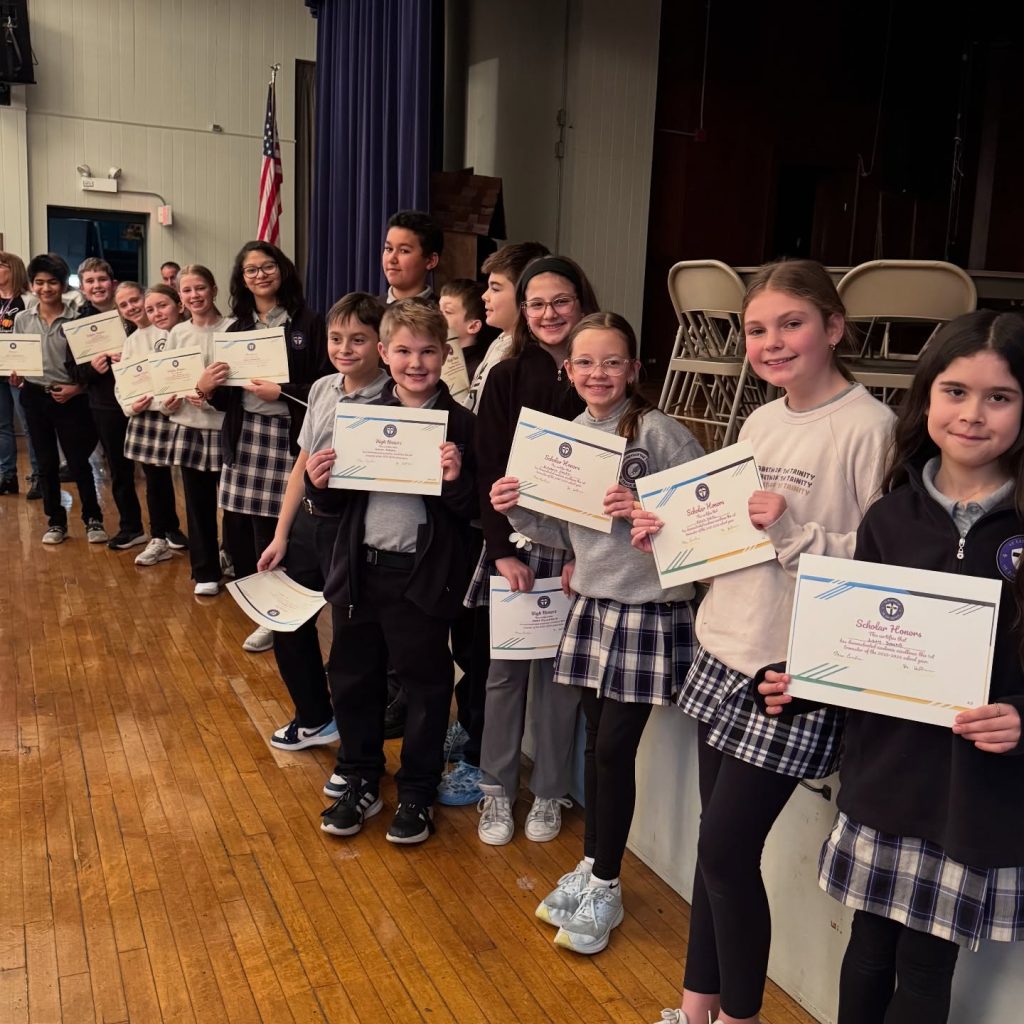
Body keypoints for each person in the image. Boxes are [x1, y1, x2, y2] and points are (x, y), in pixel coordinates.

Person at [634, 260, 895, 1024]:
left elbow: (881, 568)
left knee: (723, 853)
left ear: (834, 328)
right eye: (756, 329)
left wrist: (791, 528)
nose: (772, 341)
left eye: (792, 323)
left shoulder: (870, 429)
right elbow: (731, 537)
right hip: (724, 647)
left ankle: (738, 1018)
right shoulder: (760, 421)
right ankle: (696, 1008)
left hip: (788, 672)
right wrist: (671, 534)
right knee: (716, 852)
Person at [757, 309, 1024, 1023]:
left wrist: (1021, 717)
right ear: (926, 396)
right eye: (955, 391)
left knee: (926, 972)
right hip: (886, 776)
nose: (973, 414)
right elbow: (860, 646)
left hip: (973, 794)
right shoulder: (890, 517)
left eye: (1000, 397)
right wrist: (802, 682)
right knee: (868, 951)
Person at [491, 312, 703, 954]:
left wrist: (646, 513)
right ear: (568, 370)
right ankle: (591, 864)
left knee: (612, 750)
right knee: (594, 744)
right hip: (592, 604)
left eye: (612, 362)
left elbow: (704, 527)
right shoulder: (571, 436)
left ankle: (607, 882)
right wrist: (517, 508)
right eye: (585, 363)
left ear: (634, 369)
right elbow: (563, 532)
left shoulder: (663, 434)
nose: (598, 374)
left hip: (649, 611)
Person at [319, 298, 477, 845]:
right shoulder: (359, 416)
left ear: (445, 354)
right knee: (353, 680)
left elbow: (475, 513)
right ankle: (360, 777)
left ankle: (416, 791)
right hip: (360, 572)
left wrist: (456, 480)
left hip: (422, 578)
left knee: (426, 687)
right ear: (384, 353)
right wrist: (321, 482)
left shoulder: (463, 425)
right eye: (404, 351)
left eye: (428, 351)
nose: (416, 363)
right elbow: (335, 506)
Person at [470, 255, 598, 846]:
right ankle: (496, 790)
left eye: (561, 301)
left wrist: (580, 553)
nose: (549, 313)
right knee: (506, 674)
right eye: (537, 303)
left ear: (582, 303)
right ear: (523, 312)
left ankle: (549, 789)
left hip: (578, 554)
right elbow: (487, 468)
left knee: (561, 679)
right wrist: (500, 550)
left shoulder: (598, 374)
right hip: (517, 550)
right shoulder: (507, 376)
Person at [435, 242, 551, 808]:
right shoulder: (499, 357)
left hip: (533, 534)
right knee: (477, 649)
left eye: (497, 287)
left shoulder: (543, 366)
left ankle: (494, 760)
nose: (485, 296)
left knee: (498, 660)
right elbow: (485, 444)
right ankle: (475, 740)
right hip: (485, 520)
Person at [257, 293, 389, 757]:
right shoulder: (321, 388)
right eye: (336, 339)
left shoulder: (394, 398)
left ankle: (358, 751)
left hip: (352, 533)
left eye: (358, 339)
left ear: (381, 344)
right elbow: (302, 464)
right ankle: (313, 716)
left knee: (351, 645)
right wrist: (281, 534)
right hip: (307, 529)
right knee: (287, 624)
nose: (344, 349)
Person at [196, 241, 328, 653]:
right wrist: (206, 388)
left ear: (282, 269)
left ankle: (287, 610)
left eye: (267, 266)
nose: (260, 275)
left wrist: (283, 392)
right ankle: (267, 610)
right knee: (249, 530)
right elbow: (227, 399)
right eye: (251, 270)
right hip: (246, 435)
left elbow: (325, 386)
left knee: (284, 529)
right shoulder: (235, 330)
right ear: (242, 279)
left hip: (291, 437)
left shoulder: (309, 322)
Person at [11, 254, 106, 545]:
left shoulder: (78, 320)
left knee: (78, 462)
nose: (45, 288)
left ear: (63, 285)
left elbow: (88, 367)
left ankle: (93, 518)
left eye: (52, 282)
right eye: (39, 282)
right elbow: (18, 356)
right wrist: (16, 373)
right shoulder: (22, 319)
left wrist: (76, 389)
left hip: (71, 399)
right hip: (34, 397)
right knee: (45, 463)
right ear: (31, 284)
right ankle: (56, 521)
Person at [164, 265, 234, 595]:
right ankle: (205, 570)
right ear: (180, 297)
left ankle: (233, 558)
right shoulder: (177, 333)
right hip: (189, 427)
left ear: (214, 289)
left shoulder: (233, 328)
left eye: (200, 288)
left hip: (224, 426)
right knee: (197, 502)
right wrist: (170, 397)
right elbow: (168, 379)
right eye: (187, 290)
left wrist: (208, 393)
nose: (195, 295)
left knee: (232, 503)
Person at [77, 265, 148, 551]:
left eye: (102, 279)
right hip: (107, 407)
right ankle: (131, 527)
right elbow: (75, 372)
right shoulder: (80, 324)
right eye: (90, 281)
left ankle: (167, 529)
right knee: (120, 470)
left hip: (146, 402)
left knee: (156, 471)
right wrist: (93, 368)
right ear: (83, 288)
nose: (97, 285)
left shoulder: (138, 317)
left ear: (112, 282)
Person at [120, 284, 188, 567]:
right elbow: (124, 383)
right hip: (148, 416)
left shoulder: (181, 332)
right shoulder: (133, 340)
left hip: (185, 413)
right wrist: (130, 406)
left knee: (194, 483)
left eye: (136, 301)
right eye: (124, 305)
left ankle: (203, 542)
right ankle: (159, 537)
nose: (134, 308)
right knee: (156, 481)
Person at [463, 242, 550, 415]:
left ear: (525, 295)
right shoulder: (501, 339)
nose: (484, 296)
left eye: (495, 288)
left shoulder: (527, 362)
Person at [0, 251, 38, 496]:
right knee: (2, 425)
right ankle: (7, 476)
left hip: (21, 371)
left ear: (12, 269)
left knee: (29, 425)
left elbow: (35, 335)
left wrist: (25, 369)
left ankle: (38, 477)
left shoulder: (28, 300)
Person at [381, 210, 443, 303]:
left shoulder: (442, 311)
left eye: (404, 251)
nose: (391, 259)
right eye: (389, 249)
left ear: (431, 260)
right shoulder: (368, 310)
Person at [439, 278, 491, 380]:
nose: (437, 316)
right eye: (439, 310)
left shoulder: (476, 372)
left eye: (448, 312)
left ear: (473, 326)